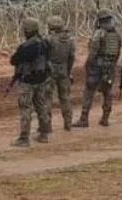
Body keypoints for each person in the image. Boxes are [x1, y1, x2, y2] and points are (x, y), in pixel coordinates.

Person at [74, 9, 122, 127]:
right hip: (109, 67)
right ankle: (105, 118)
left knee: (89, 92)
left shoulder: (99, 33)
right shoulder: (116, 34)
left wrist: (88, 65)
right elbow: (117, 52)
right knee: (107, 92)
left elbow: (93, 52)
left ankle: (84, 119)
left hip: (97, 67)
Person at [9, 18, 52, 147]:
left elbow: (14, 60)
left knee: (26, 108)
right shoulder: (44, 43)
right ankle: (44, 134)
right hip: (42, 80)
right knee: (41, 106)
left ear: (27, 31)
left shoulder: (26, 47)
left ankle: (24, 138)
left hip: (28, 81)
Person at [46, 16, 76, 131]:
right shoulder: (69, 40)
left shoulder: (49, 39)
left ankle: (47, 125)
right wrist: (68, 71)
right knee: (65, 97)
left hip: (51, 70)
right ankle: (68, 123)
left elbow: (45, 56)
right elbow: (72, 57)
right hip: (64, 69)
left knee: (47, 98)